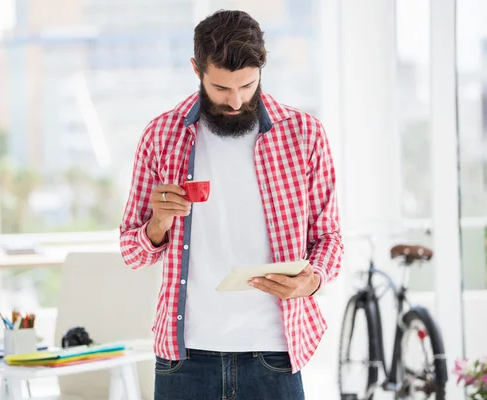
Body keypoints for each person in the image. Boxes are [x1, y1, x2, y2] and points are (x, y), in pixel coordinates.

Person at [119, 9, 343, 400]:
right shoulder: (161, 136)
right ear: (196, 69)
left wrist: (312, 280)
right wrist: (158, 225)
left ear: (262, 69)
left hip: (273, 352)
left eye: (248, 85)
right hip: (184, 358)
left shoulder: (304, 135)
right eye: (222, 88)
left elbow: (330, 239)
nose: (237, 100)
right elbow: (131, 253)